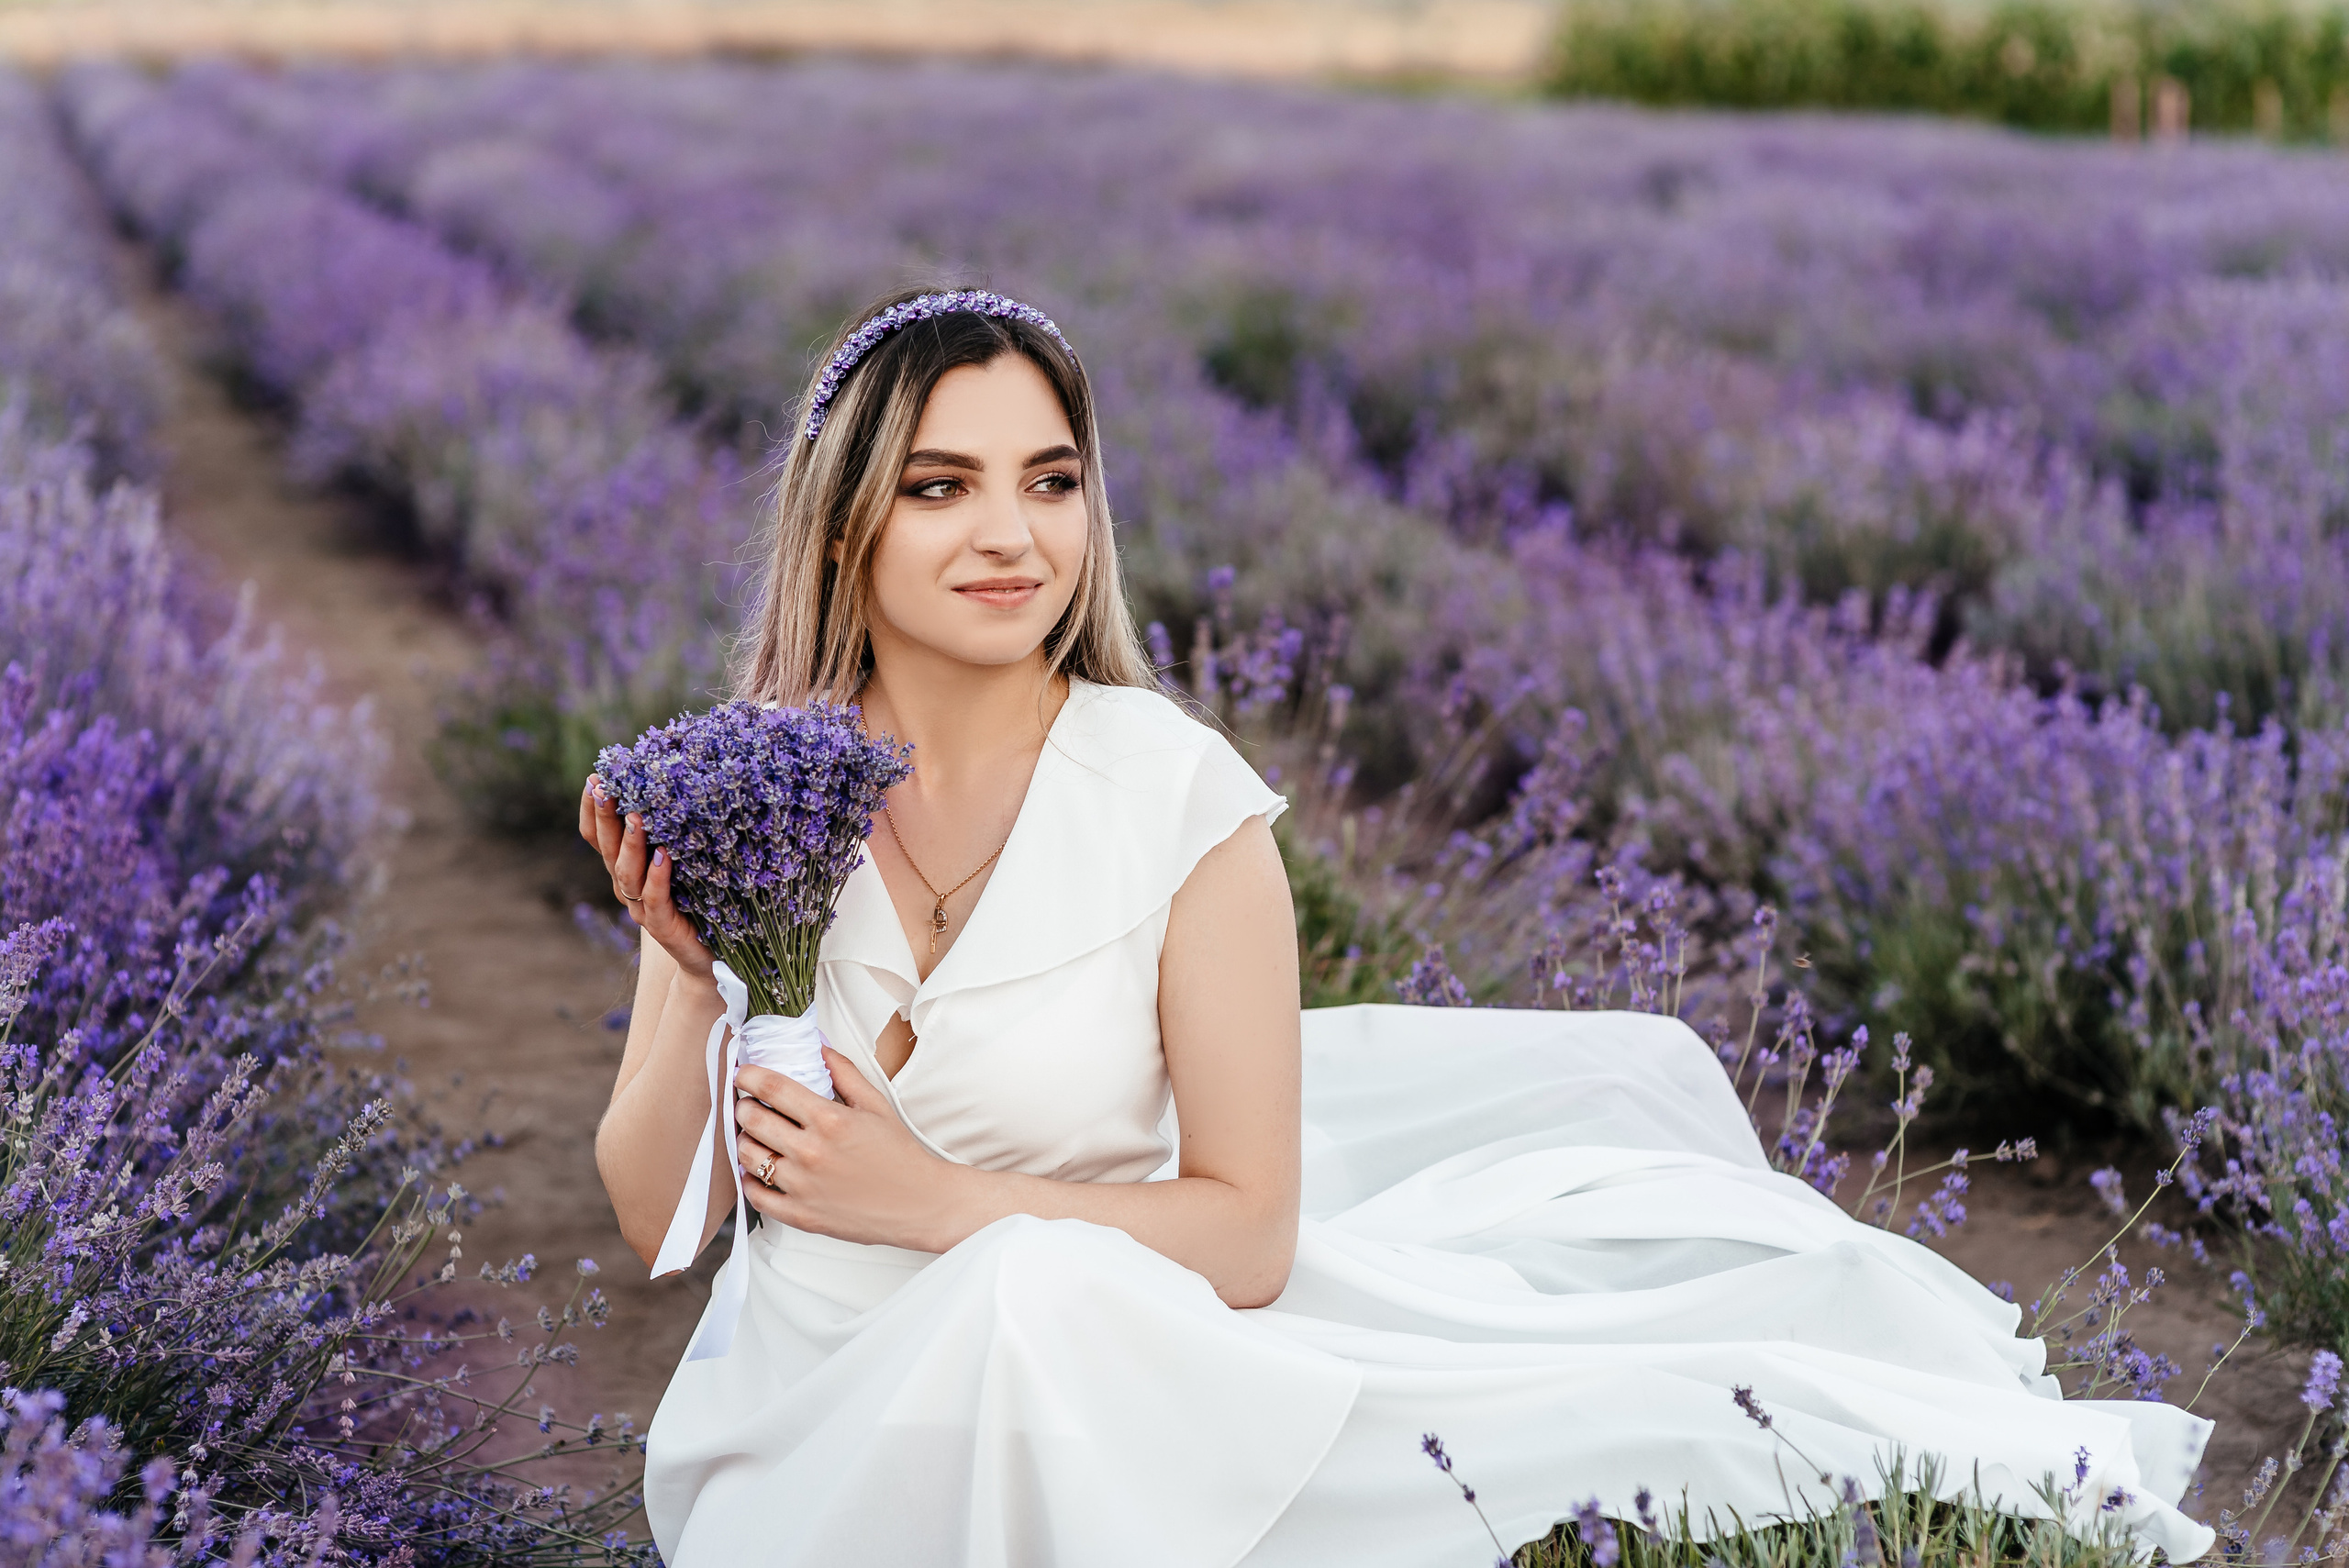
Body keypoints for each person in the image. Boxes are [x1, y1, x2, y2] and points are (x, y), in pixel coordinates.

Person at [582, 287, 2213, 1568]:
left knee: (1033, 1300)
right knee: (1007, 1311)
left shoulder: (1177, 796)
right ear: (849, 514)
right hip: (813, 1402)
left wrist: (939, 1202)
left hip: (1101, 1366)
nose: (1011, 535)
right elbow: (663, 1209)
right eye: (944, 486)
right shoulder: (756, 782)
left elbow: (1247, 1235)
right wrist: (686, 958)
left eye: (1052, 481)